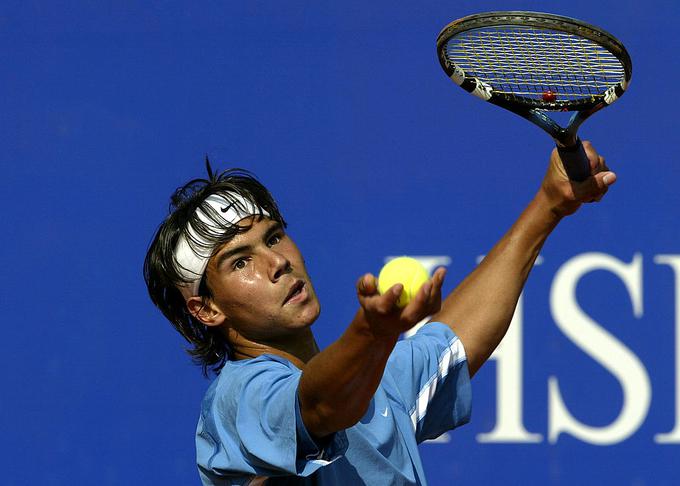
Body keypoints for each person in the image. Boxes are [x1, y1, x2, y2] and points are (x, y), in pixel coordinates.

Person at [143, 144, 616, 485]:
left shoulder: (373, 387)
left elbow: (454, 340)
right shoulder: (238, 399)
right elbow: (320, 407)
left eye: (273, 237)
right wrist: (372, 332)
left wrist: (549, 204)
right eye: (240, 261)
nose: (277, 262)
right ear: (206, 309)